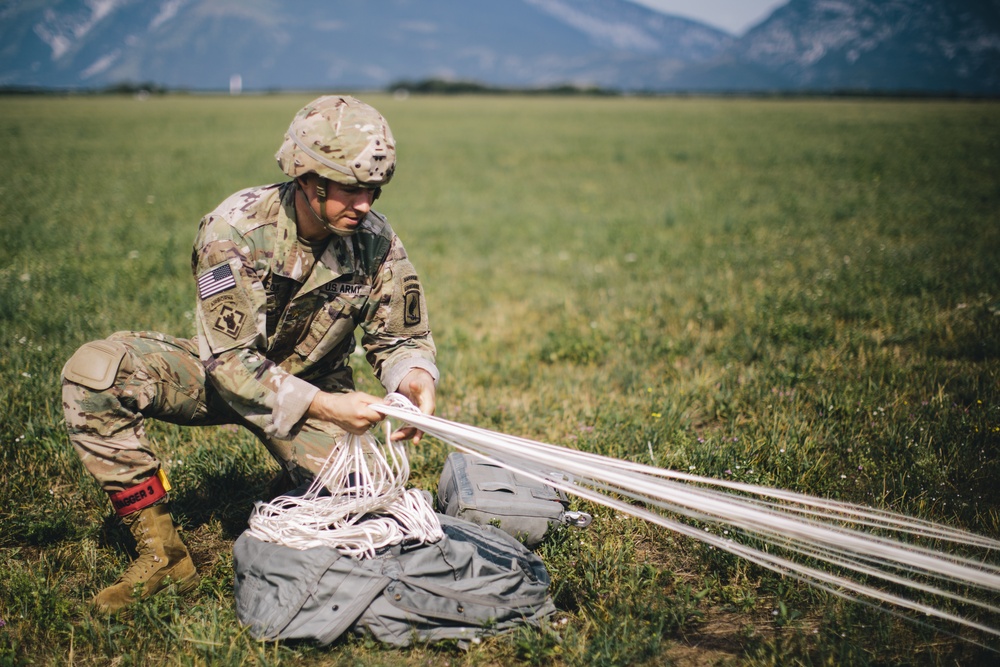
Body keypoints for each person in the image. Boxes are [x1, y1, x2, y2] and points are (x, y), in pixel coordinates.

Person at [61, 95, 438, 613]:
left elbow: (400, 336)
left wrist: (414, 376)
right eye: (351, 189)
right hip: (221, 377)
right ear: (308, 179)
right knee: (98, 374)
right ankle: (164, 554)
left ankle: (294, 489)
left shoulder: (375, 240)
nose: (366, 204)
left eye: (373, 190)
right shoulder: (235, 229)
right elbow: (232, 362)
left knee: (366, 520)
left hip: (317, 391)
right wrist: (330, 409)